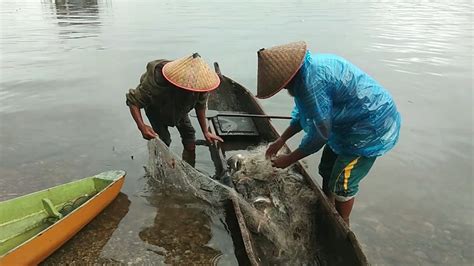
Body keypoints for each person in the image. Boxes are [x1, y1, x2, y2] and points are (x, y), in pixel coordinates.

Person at [257, 41, 401, 225]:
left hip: (371, 126)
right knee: (326, 168)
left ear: (289, 78)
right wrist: (281, 140)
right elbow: (304, 114)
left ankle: (342, 223)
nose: (284, 89)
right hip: (349, 123)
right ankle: (327, 204)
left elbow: (319, 136)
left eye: (283, 86)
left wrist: (289, 160)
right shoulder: (307, 71)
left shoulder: (311, 84)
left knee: (343, 182)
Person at [126, 53, 223, 166]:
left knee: (189, 135)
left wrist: (205, 131)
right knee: (164, 140)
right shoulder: (157, 79)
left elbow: (200, 106)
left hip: (181, 110)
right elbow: (133, 101)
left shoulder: (201, 84)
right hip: (157, 108)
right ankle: (161, 165)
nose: (192, 88)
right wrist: (142, 126)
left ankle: (188, 166)